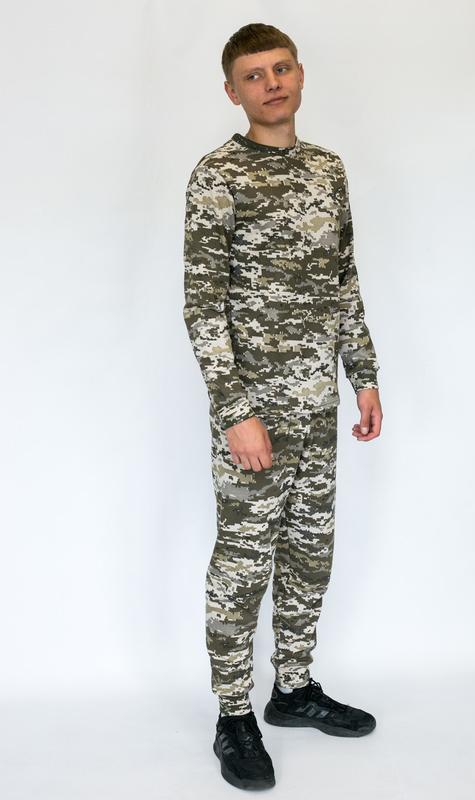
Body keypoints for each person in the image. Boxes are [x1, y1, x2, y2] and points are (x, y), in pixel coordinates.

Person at [183, 22, 383, 791]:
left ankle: (293, 689)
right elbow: (203, 307)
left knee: (308, 554)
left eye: (281, 68)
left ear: (299, 74)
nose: (271, 83)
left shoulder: (327, 169)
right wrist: (235, 411)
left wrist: (363, 375)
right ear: (232, 91)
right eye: (253, 75)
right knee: (243, 562)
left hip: (318, 406)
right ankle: (233, 715)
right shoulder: (218, 176)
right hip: (254, 413)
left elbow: (344, 282)